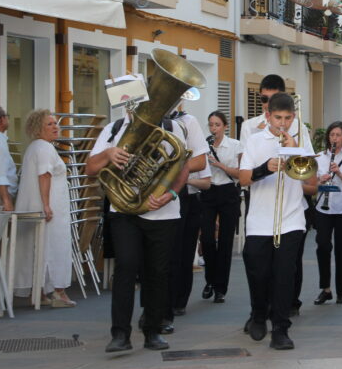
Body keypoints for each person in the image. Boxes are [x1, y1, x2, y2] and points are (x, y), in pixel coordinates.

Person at [87, 109, 197, 353]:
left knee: (157, 272)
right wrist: (108, 154)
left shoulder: (172, 128)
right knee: (126, 267)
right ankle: (120, 334)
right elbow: (90, 168)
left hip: (163, 213)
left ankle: (153, 331)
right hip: (125, 211)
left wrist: (172, 194)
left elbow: (183, 167)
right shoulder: (113, 129)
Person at [239, 93, 318, 350]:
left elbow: (312, 183)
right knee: (259, 275)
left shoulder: (301, 140)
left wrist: (294, 150)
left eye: (287, 118)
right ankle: (258, 314)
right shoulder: (254, 140)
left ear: (293, 117)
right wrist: (265, 168)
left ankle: (281, 329)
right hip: (259, 221)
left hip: (291, 218)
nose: (282, 124)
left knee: (285, 276)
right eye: (277, 118)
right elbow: (243, 179)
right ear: (268, 116)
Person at [13, 110, 74, 308]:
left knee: (38, 248)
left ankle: (38, 291)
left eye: (56, 123)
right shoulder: (45, 148)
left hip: (36, 206)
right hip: (50, 207)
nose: (55, 127)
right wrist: (46, 204)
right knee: (56, 246)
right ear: (38, 128)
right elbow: (44, 175)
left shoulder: (34, 147)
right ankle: (58, 291)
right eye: (49, 124)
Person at [162, 109, 209, 329]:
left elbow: (203, 168)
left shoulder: (187, 121)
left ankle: (178, 300)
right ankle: (159, 303)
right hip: (158, 191)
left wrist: (180, 171)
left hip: (186, 197)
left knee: (182, 251)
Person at [312, 121, 342, 305]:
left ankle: (341, 290)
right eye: (332, 135)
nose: (334, 138)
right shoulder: (319, 157)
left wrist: (341, 174)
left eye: (338, 135)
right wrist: (320, 180)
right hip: (323, 209)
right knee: (323, 245)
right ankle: (325, 288)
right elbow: (311, 184)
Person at [200, 111, 243, 304]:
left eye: (217, 125)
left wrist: (220, 165)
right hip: (209, 192)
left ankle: (220, 288)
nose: (213, 128)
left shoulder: (235, 145)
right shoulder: (204, 145)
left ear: (225, 126)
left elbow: (241, 174)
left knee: (225, 242)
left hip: (228, 193)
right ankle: (210, 279)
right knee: (207, 238)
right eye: (211, 125)